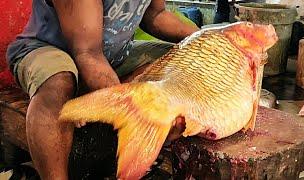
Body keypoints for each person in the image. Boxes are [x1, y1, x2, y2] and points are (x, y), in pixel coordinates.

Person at [6, 0, 199, 179]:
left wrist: (204, 37)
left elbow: (156, 15)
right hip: (51, 49)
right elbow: (87, 53)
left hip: (112, 57)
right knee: (57, 84)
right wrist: (128, 107)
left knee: (183, 58)